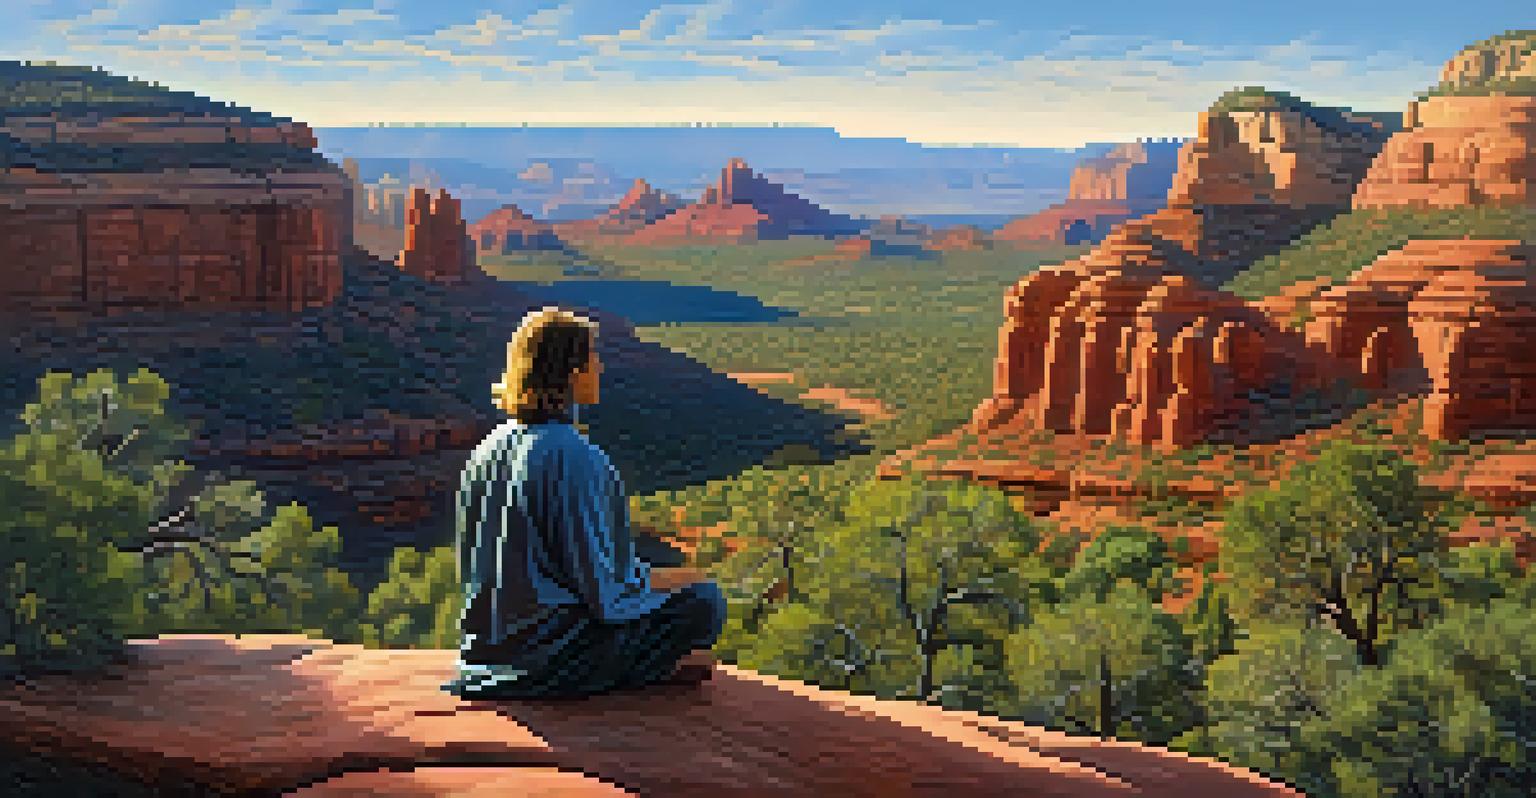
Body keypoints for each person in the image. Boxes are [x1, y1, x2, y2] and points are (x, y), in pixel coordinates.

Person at [442, 306, 727, 699]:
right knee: (704, 602)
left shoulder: (487, 449)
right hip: (551, 658)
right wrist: (680, 579)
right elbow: (603, 590)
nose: (600, 369)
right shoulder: (575, 456)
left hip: (483, 652)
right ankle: (639, 670)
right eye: (593, 359)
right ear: (571, 371)